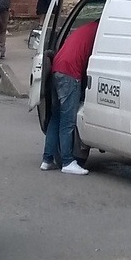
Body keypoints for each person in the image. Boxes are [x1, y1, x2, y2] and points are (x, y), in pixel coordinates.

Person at [41, 13, 99, 175]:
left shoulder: (85, 29)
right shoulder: (99, 34)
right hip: (70, 75)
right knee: (68, 120)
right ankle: (67, 161)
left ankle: (47, 159)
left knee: (56, 117)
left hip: (57, 70)